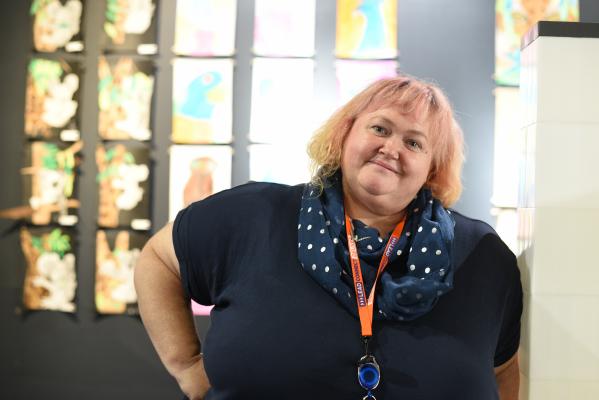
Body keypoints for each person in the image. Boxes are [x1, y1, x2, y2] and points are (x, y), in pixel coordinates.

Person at [134, 75, 522, 400]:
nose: (391, 149)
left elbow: (503, 371)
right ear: (345, 132)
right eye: (380, 128)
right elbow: (159, 260)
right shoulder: (254, 214)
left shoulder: (481, 255)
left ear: (432, 169)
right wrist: (186, 365)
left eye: (414, 143)